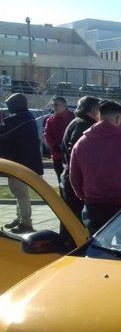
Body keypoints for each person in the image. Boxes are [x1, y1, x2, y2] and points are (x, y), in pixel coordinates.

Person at [69, 100, 121, 233]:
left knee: (96, 248)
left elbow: (74, 176)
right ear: (118, 118)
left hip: (94, 204)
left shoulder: (81, 143)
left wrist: (84, 195)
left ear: (99, 116)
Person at [0, 93, 44, 233]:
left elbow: (3, 132)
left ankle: (26, 223)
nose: (8, 108)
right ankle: (20, 218)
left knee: (20, 193)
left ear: (17, 104)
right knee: (17, 192)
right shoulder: (25, 117)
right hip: (21, 161)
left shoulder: (21, 118)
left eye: (9, 105)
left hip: (21, 163)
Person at [61, 96, 100, 220]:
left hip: (72, 178)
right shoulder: (83, 125)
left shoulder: (79, 122)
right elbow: (77, 152)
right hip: (76, 182)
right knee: (75, 221)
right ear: (94, 110)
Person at [43, 96, 75, 184]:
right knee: (60, 180)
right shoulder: (50, 120)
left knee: (72, 181)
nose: (54, 107)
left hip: (71, 155)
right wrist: (55, 146)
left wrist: (67, 146)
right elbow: (47, 135)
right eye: (53, 105)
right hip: (57, 155)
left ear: (64, 105)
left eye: (56, 105)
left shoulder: (73, 118)